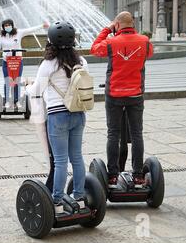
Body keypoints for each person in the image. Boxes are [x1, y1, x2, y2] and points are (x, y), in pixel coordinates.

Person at [25, 22, 88, 215]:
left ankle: (57, 201)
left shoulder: (49, 64)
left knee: (60, 161)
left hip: (57, 115)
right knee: (76, 157)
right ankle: (80, 197)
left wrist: (27, 86)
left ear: (50, 41)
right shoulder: (82, 61)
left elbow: (37, 90)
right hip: (78, 113)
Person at [90, 11, 154, 189]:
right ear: (132, 23)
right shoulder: (145, 41)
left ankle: (112, 175)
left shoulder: (110, 42)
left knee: (113, 134)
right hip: (135, 95)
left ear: (117, 25)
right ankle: (139, 175)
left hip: (115, 95)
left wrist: (107, 30)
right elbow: (150, 54)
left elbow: (94, 48)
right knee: (136, 134)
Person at [0, 19, 49, 109]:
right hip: (6, 62)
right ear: (3, 27)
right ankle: (7, 101)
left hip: (17, 61)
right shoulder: (2, 36)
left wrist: (42, 26)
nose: (7, 27)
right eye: (5, 25)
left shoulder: (19, 32)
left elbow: (30, 30)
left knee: (17, 81)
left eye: (9, 25)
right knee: (8, 81)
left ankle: (17, 101)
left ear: (12, 25)